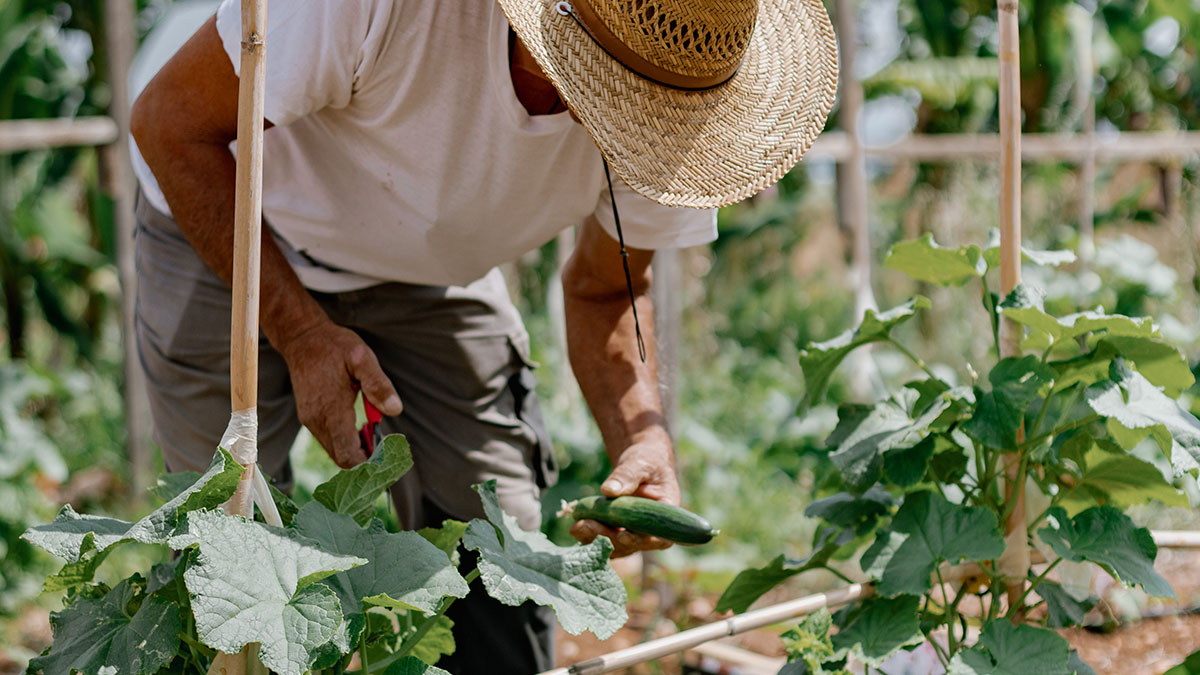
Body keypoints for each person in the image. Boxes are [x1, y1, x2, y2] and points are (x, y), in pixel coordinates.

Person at [129, 0, 836, 671]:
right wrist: (302, 331)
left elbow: (606, 286)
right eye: (615, 93)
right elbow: (170, 124)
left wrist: (640, 441)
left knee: (500, 534)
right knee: (226, 550)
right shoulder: (374, 10)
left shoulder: (678, 89)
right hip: (231, 211)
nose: (629, 123)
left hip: (429, 267)